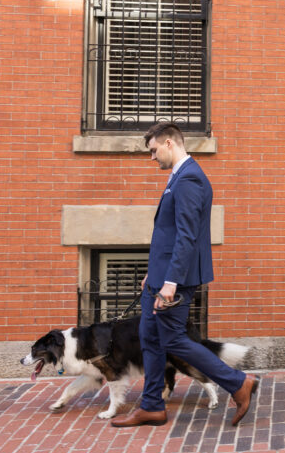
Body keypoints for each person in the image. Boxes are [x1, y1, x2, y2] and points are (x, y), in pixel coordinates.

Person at [111, 122, 259, 428]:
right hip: (161, 276)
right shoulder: (178, 177)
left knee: (173, 339)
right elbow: (168, 233)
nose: (152, 158)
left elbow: (186, 236)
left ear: (168, 143)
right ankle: (152, 406)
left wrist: (169, 281)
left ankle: (238, 382)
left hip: (173, 281)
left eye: (153, 151)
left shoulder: (189, 179)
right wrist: (154, 274)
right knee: (149, 337)